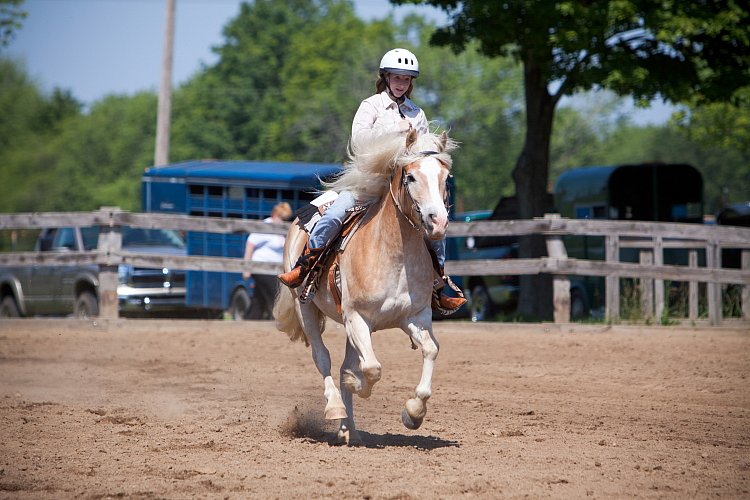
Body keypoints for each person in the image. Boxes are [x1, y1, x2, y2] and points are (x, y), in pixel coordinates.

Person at [278, 48, 466, 313]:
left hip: (405, 190)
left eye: (407, 79)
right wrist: (394, 131)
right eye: (397, 77)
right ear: (386, 77)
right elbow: (359, 140)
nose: (402, 83)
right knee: (335, 214)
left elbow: (423, 152)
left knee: (436, 227)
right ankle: (306, 267)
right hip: (368, 183)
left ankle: (437, 283)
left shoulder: (417, 114)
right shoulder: (371, 106)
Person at [243, 202, 293, 319]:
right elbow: (250, 245)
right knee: (276, 294)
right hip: (260, 267)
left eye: (285, 219)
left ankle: (251, 320)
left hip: (274, 270)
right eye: (282, 218)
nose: (283, 222)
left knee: (259, 299)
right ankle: (279, 319)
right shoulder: (265, 226)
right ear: (275, 215)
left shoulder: (282, 230)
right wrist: (246, 268)